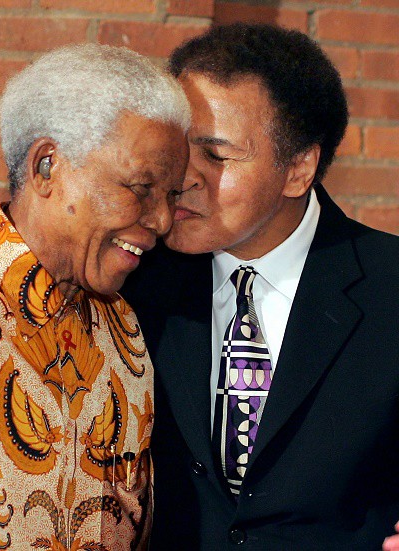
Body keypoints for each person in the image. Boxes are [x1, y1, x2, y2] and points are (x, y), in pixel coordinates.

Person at [122, 23, 399, 550]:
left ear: (299, 168)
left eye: (217, 156)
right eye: (179, 146)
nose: (184, 175)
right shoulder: (132, 277)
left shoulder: (390, 286)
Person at [0, 44, 189, 550]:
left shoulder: (124, 330)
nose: (162, 221)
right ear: (46, 166)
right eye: (140, 188)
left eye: (172, 195)